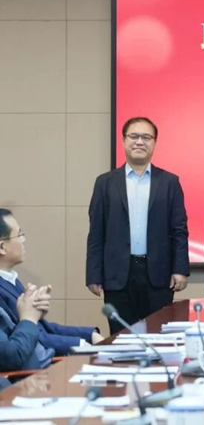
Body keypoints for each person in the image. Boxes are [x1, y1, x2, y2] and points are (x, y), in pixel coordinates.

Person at [86, 117, 190, 334]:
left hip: (158, 275)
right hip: (117, 275)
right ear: (124, 141)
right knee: (120, 336)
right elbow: (96, 232)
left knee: (158, 336)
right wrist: (93, 275)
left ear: (155, 143)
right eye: (134, 136)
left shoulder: (169, 182)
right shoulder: (105, 183)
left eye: (146, 137)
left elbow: (179, 230)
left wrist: (180, 269)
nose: (139, 142)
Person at [0, 210, 102, 355]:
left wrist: (89, 335)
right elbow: (23, 341)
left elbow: (41, 329)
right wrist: (79, 344)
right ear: (2, 247)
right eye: (19, 234)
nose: (23, 240)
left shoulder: (10, 280)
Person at [0, 283, 55, 372]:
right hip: (24, 377)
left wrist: (33, 313)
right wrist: (29, 319)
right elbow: (13, 357)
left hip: (39, 370)